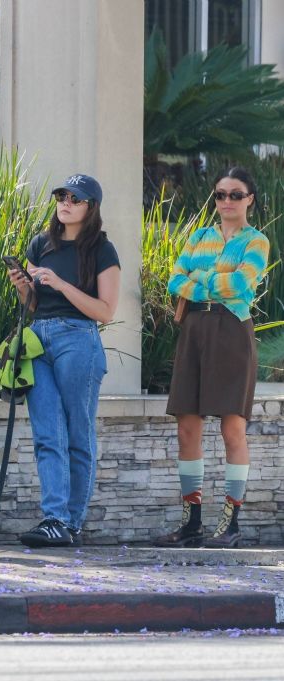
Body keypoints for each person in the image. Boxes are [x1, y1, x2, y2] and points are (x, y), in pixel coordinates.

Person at [155, 166, 270, 549]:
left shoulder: (257, 241)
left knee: (231, 428)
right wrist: (213, 278)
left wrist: (200, 277)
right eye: (220, 194)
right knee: (187, 426)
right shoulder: (200, 235)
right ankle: (192, 524)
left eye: (235, 194)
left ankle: (231, 522)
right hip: (194, 331)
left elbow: (240, 285)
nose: (226, 201)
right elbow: (174, 280)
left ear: (250, 199)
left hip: (232, 331)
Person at [7, 174, 120, 547]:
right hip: (38, 340)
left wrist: (59, 283)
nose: (65, 201)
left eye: (75, 197)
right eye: (61, 195)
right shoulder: (41, 244)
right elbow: (33, 305)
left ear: (91, 207)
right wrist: (24, 287)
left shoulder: (102, 250)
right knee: (47, 433)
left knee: (77, 433)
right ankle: (54, 518)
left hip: (78, 340)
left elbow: (105, 311)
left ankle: (71, 522)